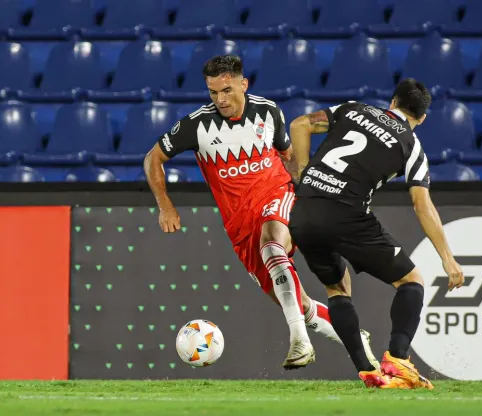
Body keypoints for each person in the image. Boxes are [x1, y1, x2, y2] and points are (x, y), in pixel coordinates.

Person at [143, 55, 380, 370]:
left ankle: (298, 340)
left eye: (226, 90)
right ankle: (354, 338)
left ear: (243, 84)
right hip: (240, 228)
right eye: (213, 93)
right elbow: (152, 159)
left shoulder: (268, 112)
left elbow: (288, 155)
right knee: (297, 303)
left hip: (277, 198)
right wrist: (165, 206)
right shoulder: (196, 125)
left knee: (272, 242)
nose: (220, 99)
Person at [286, 78, 466, 388]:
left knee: (338, 288)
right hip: (346, 213)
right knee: (411, 281)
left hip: (303, 211)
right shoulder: (411, 145)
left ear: (392, 102)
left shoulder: (353, 109)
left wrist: (303, 173)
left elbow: (300, 124)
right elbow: (422, 206)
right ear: (421, 118)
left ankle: (366, 369)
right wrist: (448, 259)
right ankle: (398, 359)